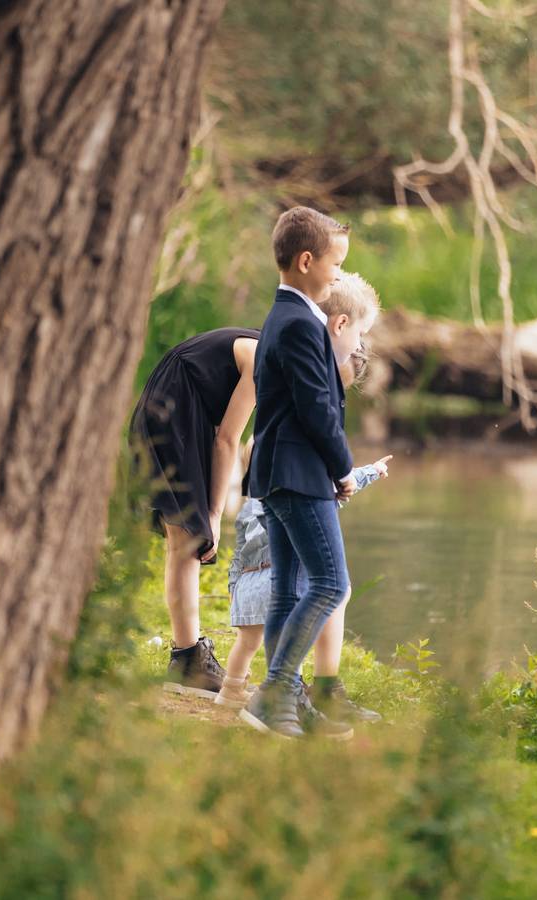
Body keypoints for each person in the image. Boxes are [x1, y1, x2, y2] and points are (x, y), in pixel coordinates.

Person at [219, 276, 389, 725]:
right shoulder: (303, 335)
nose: (359, 345)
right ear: (341, 324)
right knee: (331, 585)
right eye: (359, 334)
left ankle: (289, 696)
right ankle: (275, 692)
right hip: (298, 478)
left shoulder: (286, 324)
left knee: (288, 590)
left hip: (276, 476)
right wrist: (343, 470)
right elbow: (317, 415)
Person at [129, 326, 260, 699]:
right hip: (172, 412)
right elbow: (227, 439)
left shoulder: (274, 351)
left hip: (186, 413)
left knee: (187, 539)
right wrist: (215, 515)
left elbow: (245, 437)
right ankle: (188, 660)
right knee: (189, 539)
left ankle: (188, 657)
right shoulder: (264, 357)